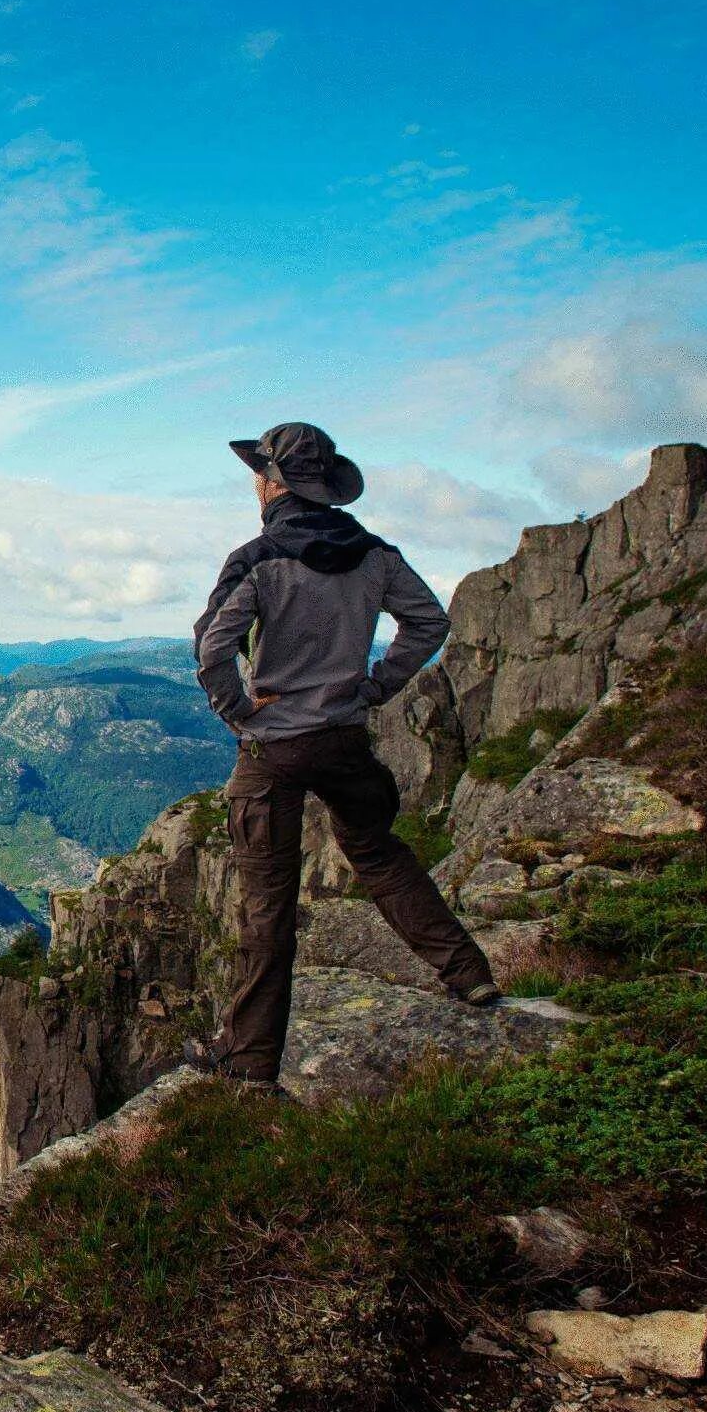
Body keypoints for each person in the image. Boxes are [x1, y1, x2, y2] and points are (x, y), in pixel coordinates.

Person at [186, 421, 498, 1094]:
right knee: (381, 856)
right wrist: (378, 684)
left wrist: (239, 709)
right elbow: (430, 623)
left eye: (258, 472)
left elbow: (211, 646)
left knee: (269, 908)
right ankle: (467, 974)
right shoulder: (376, 555)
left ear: (273, 482)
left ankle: (249, 1060)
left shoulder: (259, 558)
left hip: (274, 749)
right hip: (346, 740)